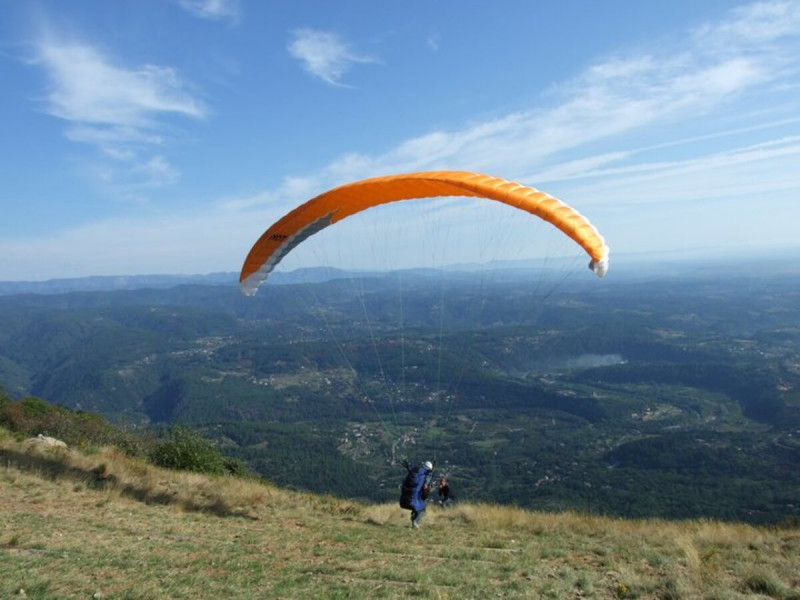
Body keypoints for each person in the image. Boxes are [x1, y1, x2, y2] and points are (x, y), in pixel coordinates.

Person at [399, 460, 434, 528]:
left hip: (403, 501)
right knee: (423, 509)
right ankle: (415, 521)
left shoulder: (415, 471)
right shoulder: (426, 475)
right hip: (412, 501)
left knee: (418, 504)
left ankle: (414, 515)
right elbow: (425, 489)